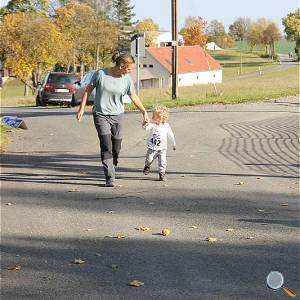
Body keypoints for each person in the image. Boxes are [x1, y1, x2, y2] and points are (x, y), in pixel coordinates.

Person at [76, 52, 150, 187]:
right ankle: (109, 177)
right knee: (106, 145)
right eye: (128, 69)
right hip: (100, 114)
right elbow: (87, 90)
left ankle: (112, 165)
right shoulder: (100, 74)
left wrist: (144, 112)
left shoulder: (126, 79)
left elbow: (133, 96)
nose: (130, 72)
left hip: (118, 115)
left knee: (116, 147)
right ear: (121, 66)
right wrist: (81, 109)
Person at [142, 105, 176, 181]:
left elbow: (170, 135)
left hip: (162, 149)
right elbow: (146, 128)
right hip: (152, 148)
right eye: (153, 116)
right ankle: (147, 166)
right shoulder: (152, 125)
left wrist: (173, 143)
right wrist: (144, 124)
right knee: (149, 159)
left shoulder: (166, 126)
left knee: (163, 162)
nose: (152, 117)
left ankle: (162, 173)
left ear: (161, 118)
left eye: (154, 116)